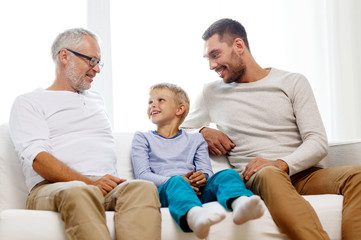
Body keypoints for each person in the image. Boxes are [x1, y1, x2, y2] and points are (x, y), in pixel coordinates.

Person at [181, 18, 361, 240]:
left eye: (215, 55)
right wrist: (202, 131)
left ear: (238, 46)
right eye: (208, 58)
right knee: (268, 173)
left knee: (358, 176)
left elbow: (317, 141)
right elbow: (179, 129)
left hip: (304, 174)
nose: (211, 65)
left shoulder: (292, 82)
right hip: (258, 177)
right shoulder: (211, 92)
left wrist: (281, 163)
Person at [9, 28, 161, 240]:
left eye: (99, 62)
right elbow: (39, 160)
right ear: (64, 56)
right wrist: (89, 182)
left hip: (103, 185)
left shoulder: (97, 100)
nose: (97, 69)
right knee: (81, 191)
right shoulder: (29, 102)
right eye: (91, 60)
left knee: (141, 188)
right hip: (54, 188)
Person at [131, 83, 264, 239]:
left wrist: (202, 176)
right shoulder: (142, 137)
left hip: (197, 190)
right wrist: (181, 181)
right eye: (150, 102)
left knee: (227, 174)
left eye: (160, 100)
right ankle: (194, 215)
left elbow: (206, 170)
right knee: (176, 181)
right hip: (167, 191)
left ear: (179, 109)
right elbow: (143, 175)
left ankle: (240, 202)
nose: (153, 105)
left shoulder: (196, 139)